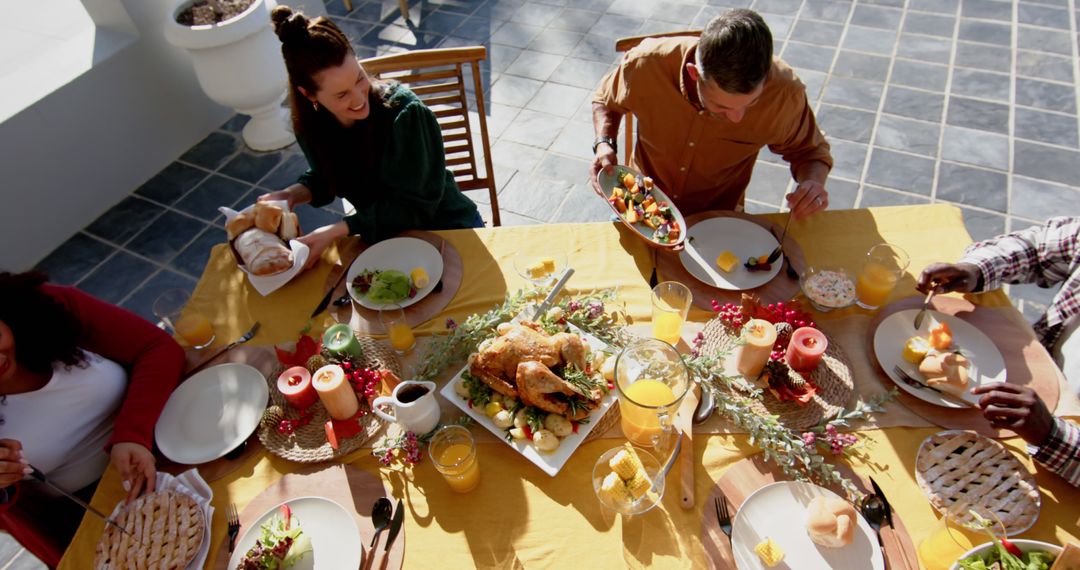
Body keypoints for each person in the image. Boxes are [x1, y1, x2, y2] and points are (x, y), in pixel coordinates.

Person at [260, 7, 481, 268]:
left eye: (359, 78)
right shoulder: (311, 128)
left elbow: (414, 208)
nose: (358, 98)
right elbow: (328, 174)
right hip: (385, 240)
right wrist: (291, 195)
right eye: (341, 95)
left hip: (448, 230)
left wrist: (339, 229)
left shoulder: (405, 115)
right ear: (309, 95)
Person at [0, 271, 186, 565]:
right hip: (97, 513)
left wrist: (130, 433)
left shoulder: (45, 306)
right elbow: (14, 515)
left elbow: (157, 348)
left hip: (169, 430)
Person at [591, 9, 833, 220]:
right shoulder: (647, 63)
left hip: (719, 219)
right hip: (642, 202)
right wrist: (604, 143)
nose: (737, 117)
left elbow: (811, 153)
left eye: (751, 104)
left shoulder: (783, 92)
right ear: (694, 74)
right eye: (722, 107)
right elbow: (605, 99)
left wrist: (812, 184)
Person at [918, 216, 1079, 486]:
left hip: (1053, 461)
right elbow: (1037, 247)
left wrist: (1051, 435)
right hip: (1032, 381)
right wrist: (975, 270)